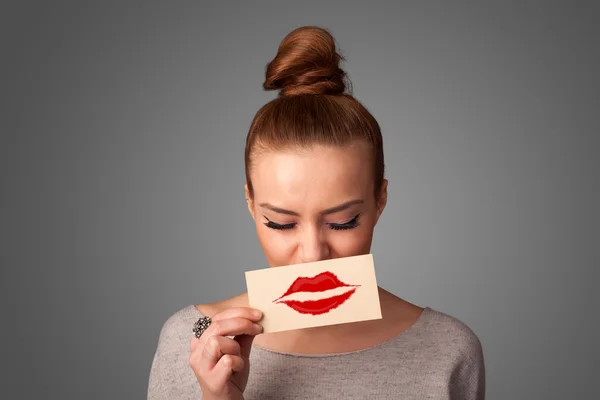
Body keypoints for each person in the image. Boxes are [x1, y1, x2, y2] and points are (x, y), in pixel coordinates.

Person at [147, 26, 485, 400]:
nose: (312, 253)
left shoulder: (447, 350)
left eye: (343, 222)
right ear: (250, 204)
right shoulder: (192, 338)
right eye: (281, 222)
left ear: (380, 201)